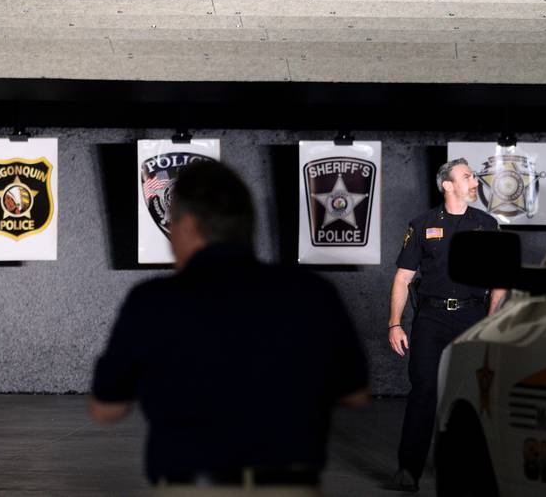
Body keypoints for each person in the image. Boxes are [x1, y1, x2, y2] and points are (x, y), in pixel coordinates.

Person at [89, 161, 369, 497]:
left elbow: (106, 409)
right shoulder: (313, 293)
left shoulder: (152, 301)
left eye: (173, 222)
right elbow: (355, 394)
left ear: (189, 226)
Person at [386, 158, 506, 492]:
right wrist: (395, 324)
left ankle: (464, 466)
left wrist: (493, 318)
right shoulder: (423, 224)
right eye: (467, 177)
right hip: (431, 319)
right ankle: (407, 470)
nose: (474, 182)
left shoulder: (487, 224)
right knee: (424, 390)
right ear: (447, 184)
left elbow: (499, 279)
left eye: (473, 177)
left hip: (473, 318)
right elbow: (402, 279)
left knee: (473, 394)